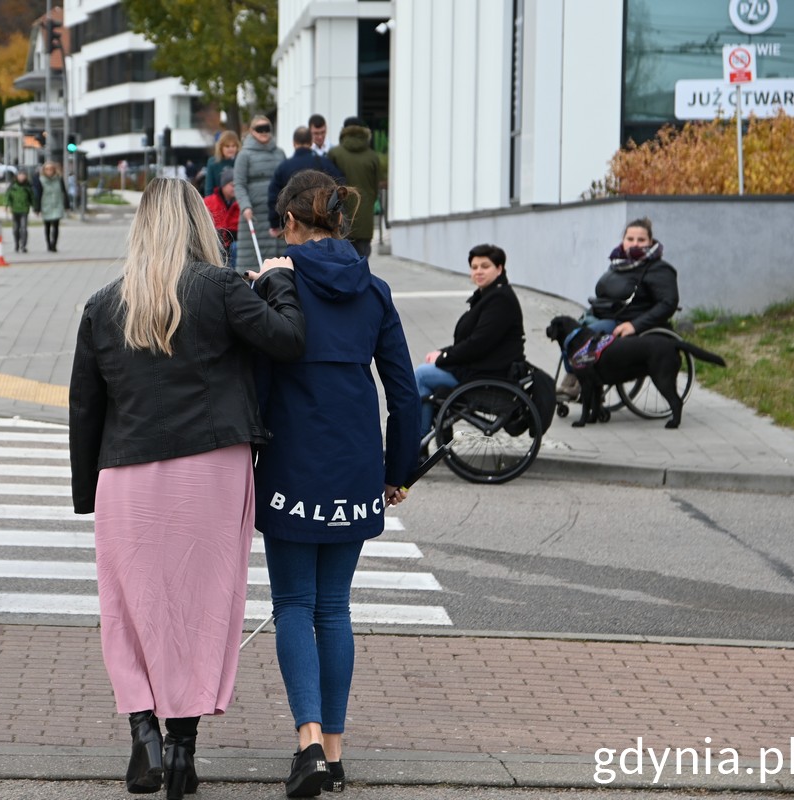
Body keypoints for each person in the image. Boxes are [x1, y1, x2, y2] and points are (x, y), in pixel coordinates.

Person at [69, 177, 306, 800]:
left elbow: (85, 406)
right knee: (202, 608)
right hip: (211, 464)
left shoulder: (104, 303)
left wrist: (87, 491)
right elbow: (287, 340)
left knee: (130, 608)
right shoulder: (221, 287)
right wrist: (278, 280)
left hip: (126, 470)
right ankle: (182, 747)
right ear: (199, 223)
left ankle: (143, 731)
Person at [250, 169, 419, 798]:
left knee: (294, 604)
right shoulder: (374, 289)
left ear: (291, 222)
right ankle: (337, 753)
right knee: (334, 607)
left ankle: (309, 745)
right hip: (355, 461)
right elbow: (405, 394)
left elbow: (254, 382)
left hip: (292, 459)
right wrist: (397, 472)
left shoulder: (279, 285)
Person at [413, 243, 526, 445]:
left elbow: (478, 344)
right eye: (474, 267)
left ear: (499, 269)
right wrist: (442, 352)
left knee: (421, 375)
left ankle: (419, 442)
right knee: (427, 371)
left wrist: (444, 357)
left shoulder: (500, 299)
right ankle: (435, 436)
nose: (478, 271)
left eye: (485, 266)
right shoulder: (488, 295)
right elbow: (473, 340)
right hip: (479, 368)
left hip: (487, 375)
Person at [559, 218, 679, 399]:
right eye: (630, 239)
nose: (634, 244)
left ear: (650, 241)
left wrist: (634, 325)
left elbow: (668, 303)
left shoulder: (659, 269)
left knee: (580, 339)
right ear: (623, 240)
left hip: (630, 322)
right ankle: (574, 376)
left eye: (641, 240)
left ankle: (581, 383)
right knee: (567, 334)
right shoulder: (618, 263)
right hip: (605, 315)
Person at [266, 126, 343, 236]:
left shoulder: (283, 167)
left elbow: (274, 197)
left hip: (295, 224)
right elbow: (339, 185)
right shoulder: (324, 163)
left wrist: (275, 223)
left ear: (294, 143)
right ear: (311, 142)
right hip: (322, 222)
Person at [233, 115, 286, 271]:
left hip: (276, 213)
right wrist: (245, 206)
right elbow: (239, 184)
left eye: (266, 128)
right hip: (254, 214)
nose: (263, 132)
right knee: (254, 262)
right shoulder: (244, 155)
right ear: (251, 131)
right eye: (259, 129)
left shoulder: (279, 153)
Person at [327, 116, 382, 258]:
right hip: (365, 219)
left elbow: (329, 186)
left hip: (340, 219)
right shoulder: (372, 157)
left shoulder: (335, 154)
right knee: (362, 260)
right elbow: (375, 188)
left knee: (341, 260)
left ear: (343, 131)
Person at [203, 167, 240, 265]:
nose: (235, 188)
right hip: (214, 243)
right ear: (223, 185)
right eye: (232, 185)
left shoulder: (241, 203)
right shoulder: (209, 202)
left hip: (234, 244)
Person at [33, 161, 68, 253]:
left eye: (51, 169)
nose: (49, 171)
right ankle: (48, 244)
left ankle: (54, 245)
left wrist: (67, 205)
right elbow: (38, 195)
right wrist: (37, 208)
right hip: (46, 205)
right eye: (47, 169)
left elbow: (64, 191)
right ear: (44, 170)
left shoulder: (59, 179)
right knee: (47, 226)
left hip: (57, 204)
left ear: (54, 170)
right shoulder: (41, 180)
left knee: (56, 225)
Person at [4, 169, 36, 253]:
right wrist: (6, 205)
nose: (21, 177)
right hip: (15, 209)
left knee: (23, 228)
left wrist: (35, 208)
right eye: (20, 175)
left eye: (23, 175)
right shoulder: (13, 186)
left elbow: (32, 197)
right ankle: (16, 244)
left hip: (24, 209)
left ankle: (23, 245)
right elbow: (7, 196)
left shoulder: (28, 186)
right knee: (15, 229)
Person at [204, 129, 241, 196]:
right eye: (227, 146)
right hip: (218, 199)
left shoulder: (241, 161)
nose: (231, 149)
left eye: (233, 146)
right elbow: (209, 189)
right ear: (221, 147)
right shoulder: (213, 162)